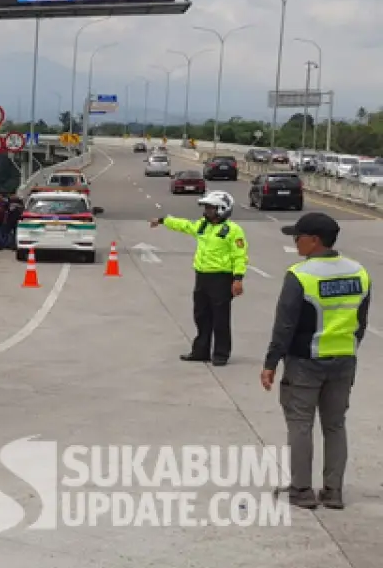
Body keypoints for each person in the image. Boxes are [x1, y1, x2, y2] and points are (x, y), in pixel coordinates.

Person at [261, 213, 369, 510]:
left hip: (306, 362)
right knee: (335, 425)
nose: (295, 241)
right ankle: (333, 492)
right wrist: (346, 348)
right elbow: (361, 322)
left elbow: (285, 325)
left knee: (300, 425)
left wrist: (271, 362)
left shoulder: (301, 275)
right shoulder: (358, 272)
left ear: (314, 240)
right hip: (344, 361)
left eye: (298, 236)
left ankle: (301, 490)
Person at [150, 190, 247, 366]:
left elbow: (240, 256)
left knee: (220, 318)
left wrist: (238, 279)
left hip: (221, 278)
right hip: (202, 277)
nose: (207, 211)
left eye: (211, 208)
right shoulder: (203, 225)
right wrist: (164, 220)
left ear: (222, 209)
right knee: (201, 316)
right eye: (207, 208)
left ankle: (221, 354)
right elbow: (186, 226)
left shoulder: (233, 231)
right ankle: (200, 351)